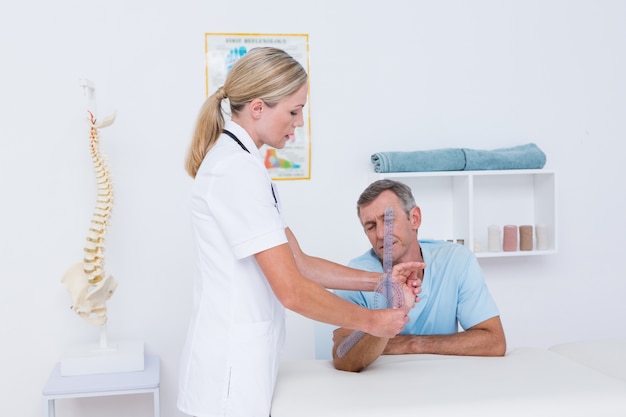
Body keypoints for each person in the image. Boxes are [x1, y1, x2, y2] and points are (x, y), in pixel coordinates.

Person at [177, 47, 423, 417]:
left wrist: (381, 281)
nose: (300, 122)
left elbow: (301, 263)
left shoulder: (241, 166)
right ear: (258, 108)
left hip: (239, 368)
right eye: (294, 110)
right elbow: (292, 290)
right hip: (228, 376)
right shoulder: (236, 172)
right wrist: (373, 321)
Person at [333, 179, 506, 372]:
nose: (381, 234)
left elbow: (494, 341)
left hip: (443, 381)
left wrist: (414, 344)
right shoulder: (355, 276)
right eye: (371, 226)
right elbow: (343, 358)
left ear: (414, 218)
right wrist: (392, 310)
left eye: (388, 220)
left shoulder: (456, 260)